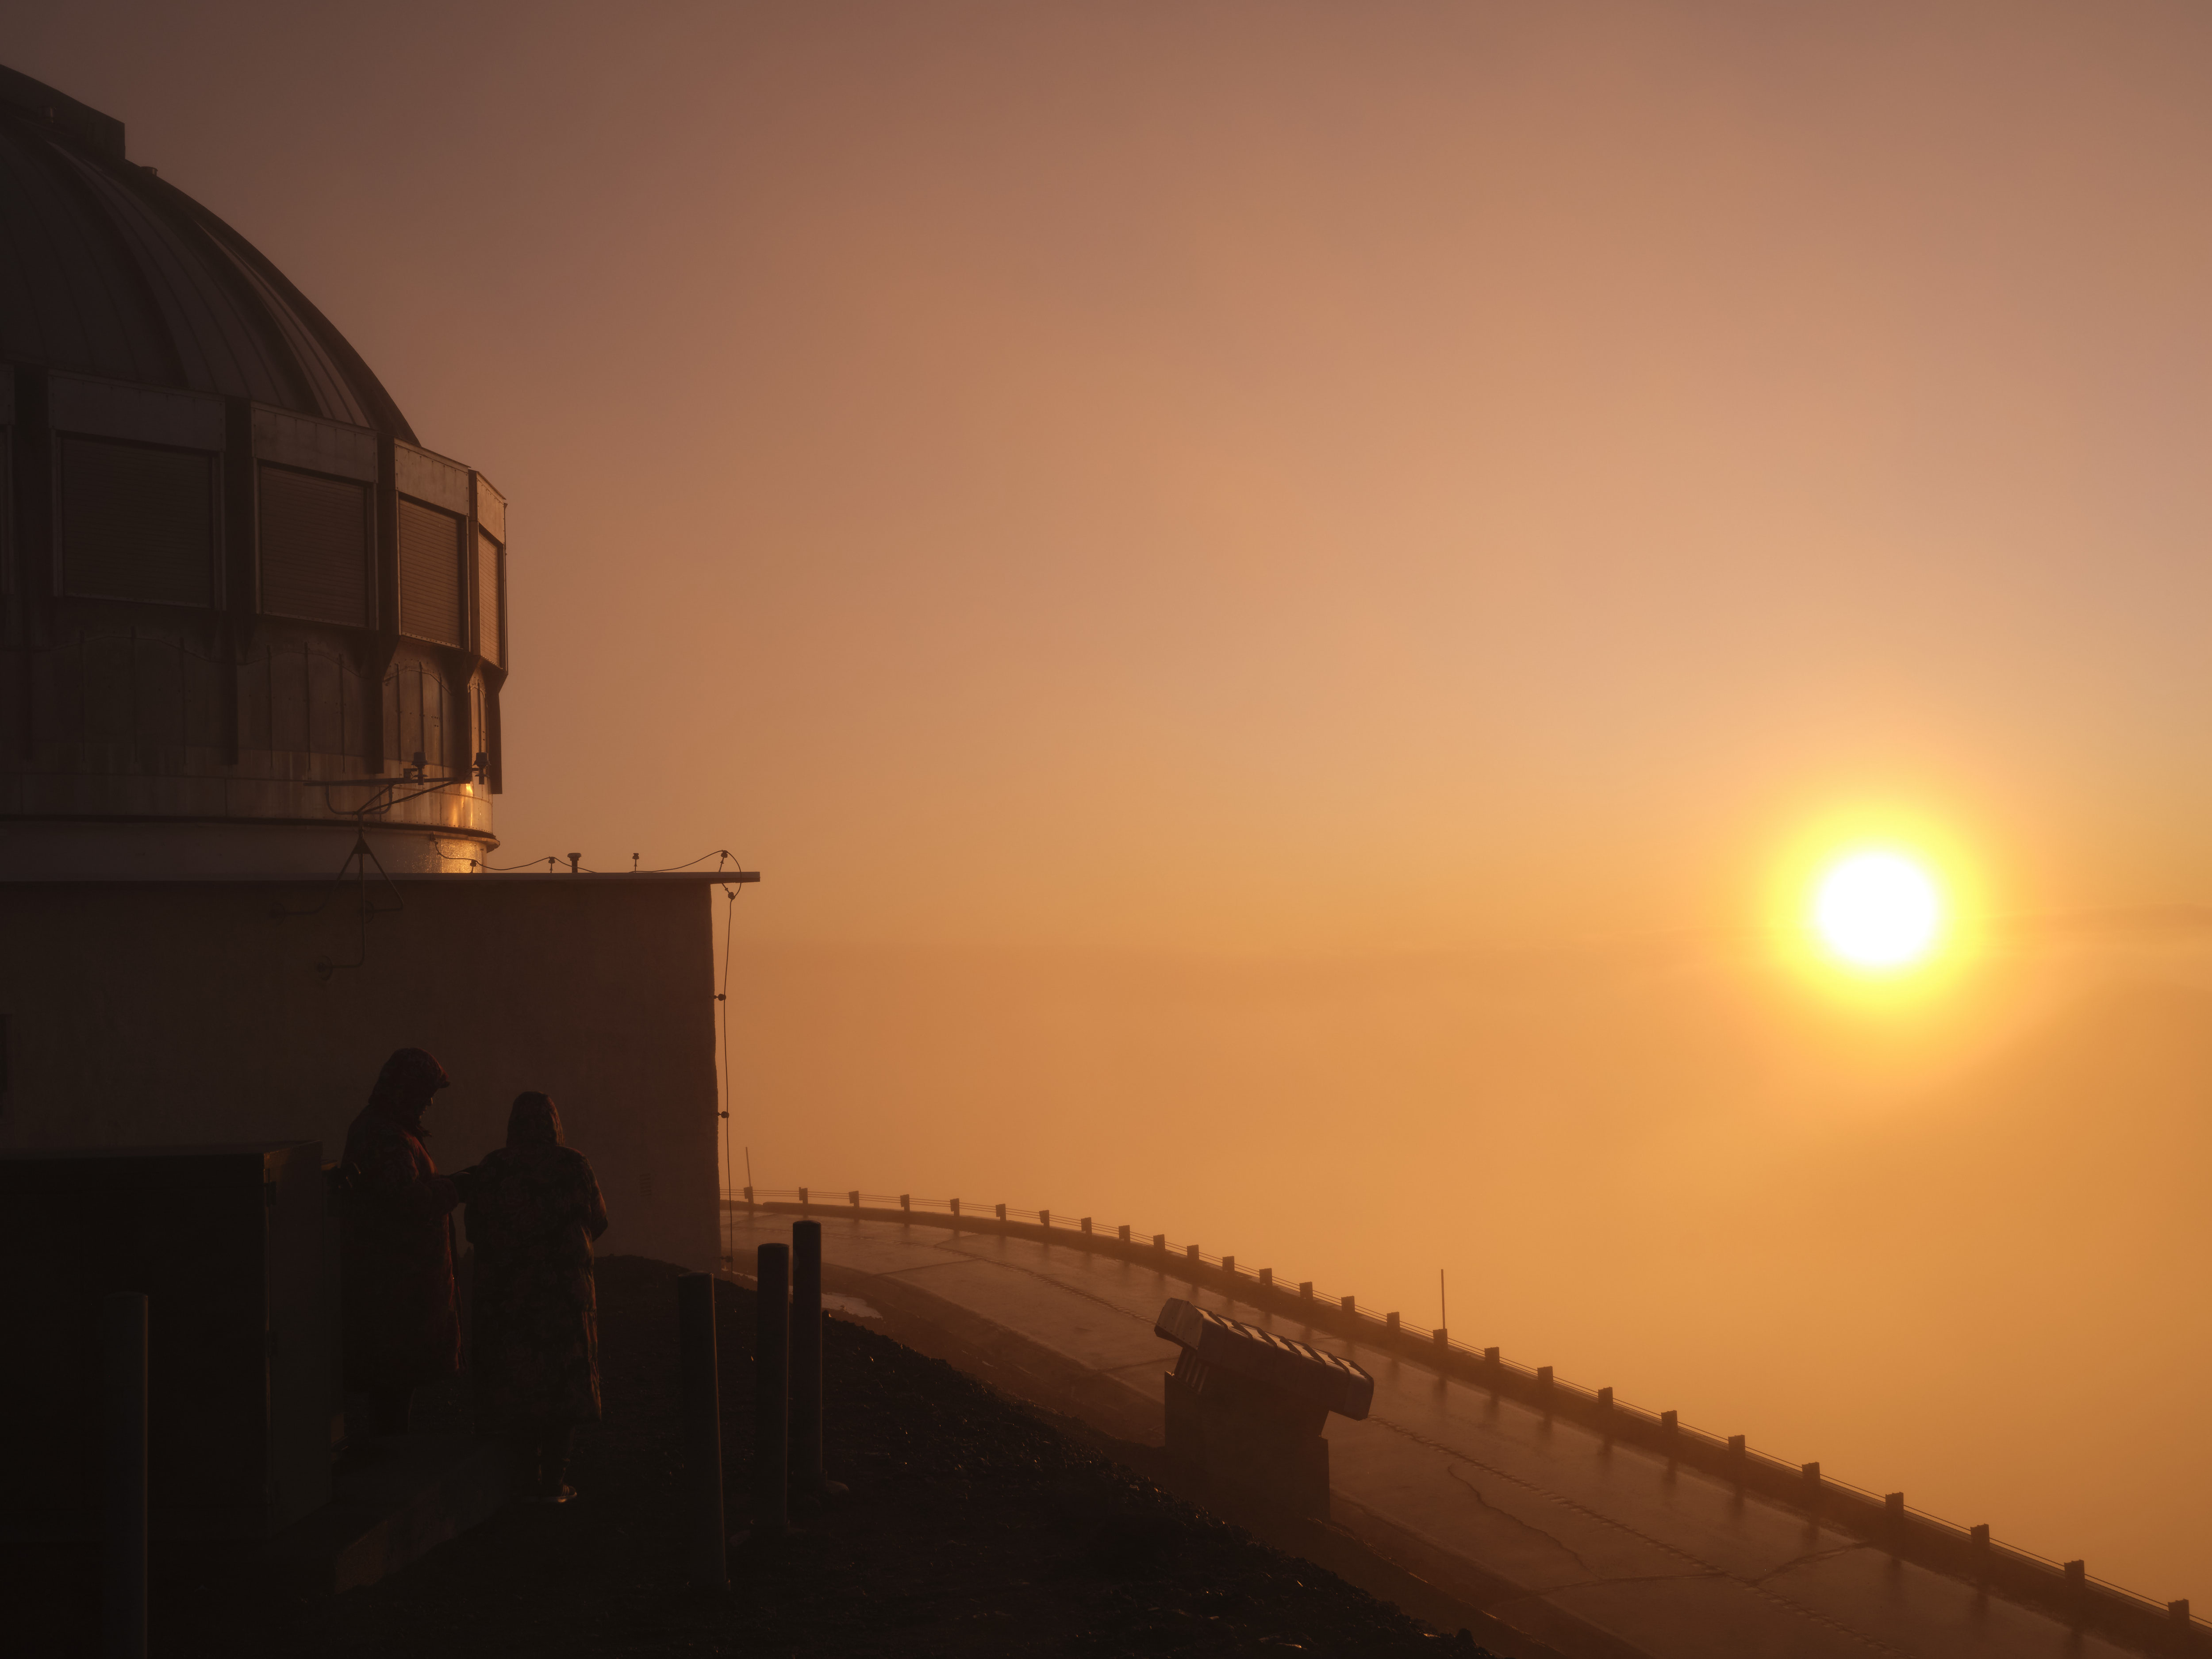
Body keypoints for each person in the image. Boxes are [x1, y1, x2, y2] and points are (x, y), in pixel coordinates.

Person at [464, 1091, 609, 1504]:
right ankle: (554, 1482)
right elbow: (598, 1221)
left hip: (509, 1300)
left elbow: (474, 1229)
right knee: (562, 1384)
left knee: (519, 1384)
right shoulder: (574, 1164)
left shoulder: (493, 1168)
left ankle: (525, 1477)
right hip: (564, 1299)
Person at [339, 1048, 462, 1438]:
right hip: (396, 1285)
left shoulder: (383, 1128)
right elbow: (407, 1203)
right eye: (424, 1092)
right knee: (394, 1374)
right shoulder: (389, 1137)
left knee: (392, 1377)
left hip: (391, 1281)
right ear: (404, 1089)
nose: (428, 1102)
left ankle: (387, 1446)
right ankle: (387, 1453)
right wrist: (455, 1188)